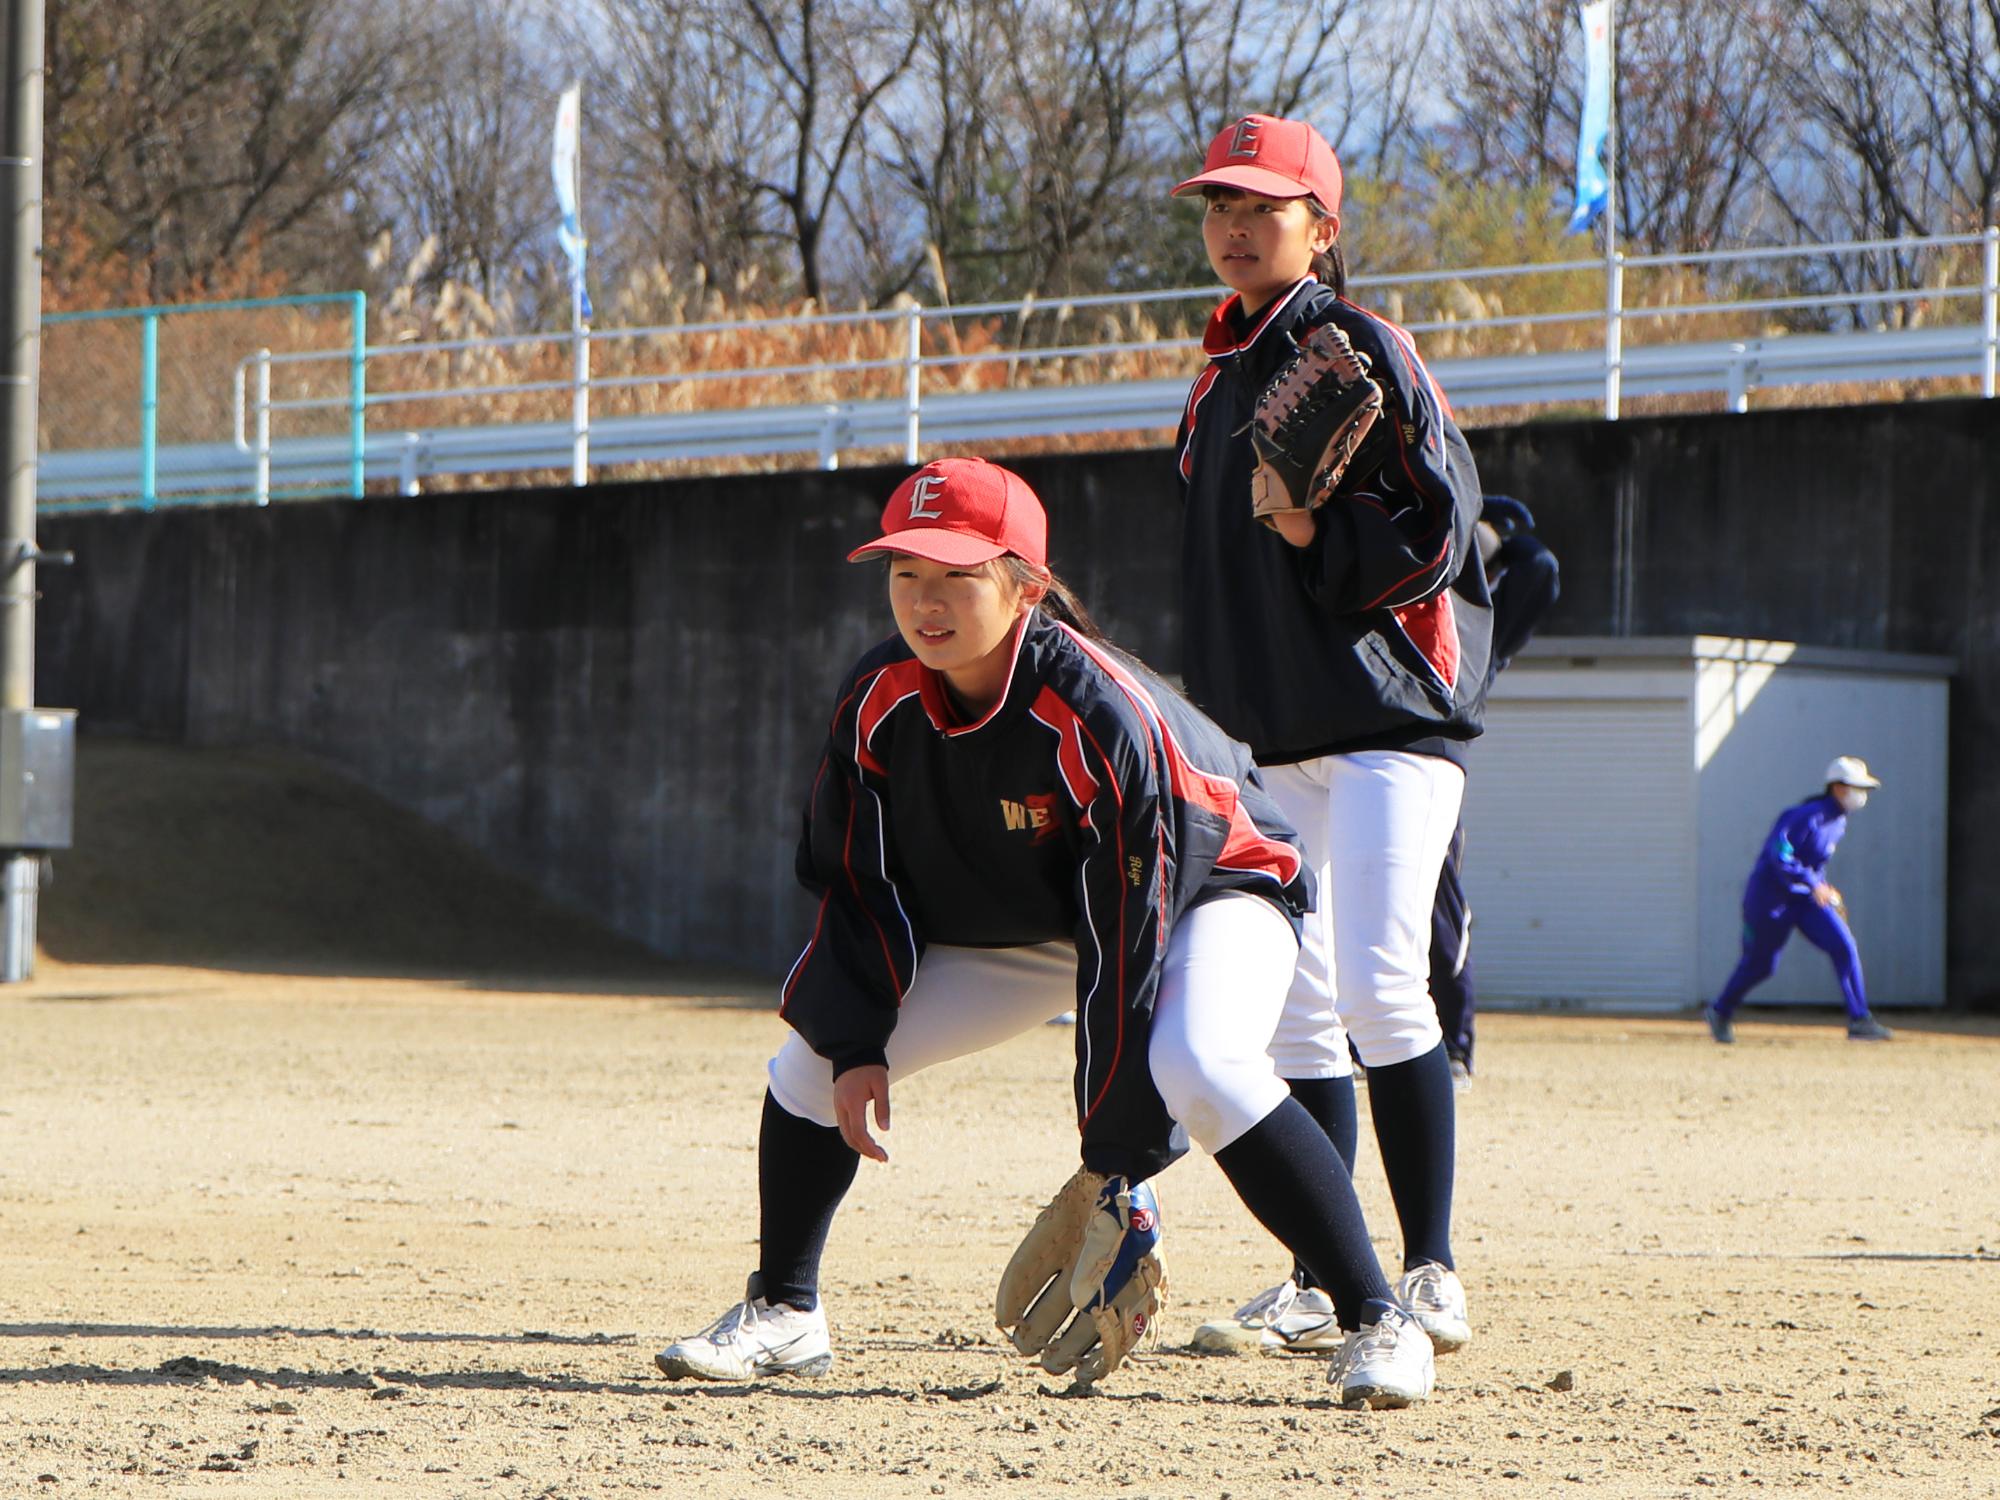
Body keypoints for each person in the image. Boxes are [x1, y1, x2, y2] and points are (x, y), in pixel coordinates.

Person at [654, 457, 1437, 1408]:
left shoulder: (1100, 713)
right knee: (809, 1065)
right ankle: (785, 1309)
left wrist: (1119, 1160)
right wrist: (858, 1038)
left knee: (1198, 1063)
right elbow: (855, 877)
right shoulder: (880, 699)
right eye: (906, 573)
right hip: (1048, 919)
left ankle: (1376, 1316)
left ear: (1025, 584)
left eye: (957, 575)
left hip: (1211, 892)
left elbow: (1130, 931)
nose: (925, 601)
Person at [1167, 115, 1492, 1359]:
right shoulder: (1211, 384)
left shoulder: (1358, 343)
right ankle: (1320, 1271)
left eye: (1262, 203)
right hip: (1266, 739)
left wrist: (1321, 536)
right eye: (1217, 205)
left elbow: (1443, 526)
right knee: (1296, 1020)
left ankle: (1428, 1272)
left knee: (1375, 988)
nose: (1235, 225)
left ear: (1321, 224)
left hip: (1382, 731)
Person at [1430, 495, 1562, 1089]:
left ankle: (1455, 1048)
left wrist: (1507, 535)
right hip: (1355, 763)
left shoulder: (1481, 629)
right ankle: (1357, 1045)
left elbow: (1541, 570)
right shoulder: (1401, 599)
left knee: (1439, 909)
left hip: (1430, 769)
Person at [1705, 756, 1893, 1044]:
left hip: (1804, 900)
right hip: (1770, 899)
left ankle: (1860, 1019)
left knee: (1843, 945)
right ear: (1838, 788)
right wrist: (1812, 882)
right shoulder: (1806, 815)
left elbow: (1814, 863)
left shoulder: (1839, 822)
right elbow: (1778, 855)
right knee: (1761, 965)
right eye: (1857, 788)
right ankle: (1720, 1011)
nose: (1862, 795)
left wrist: (1825, 888)